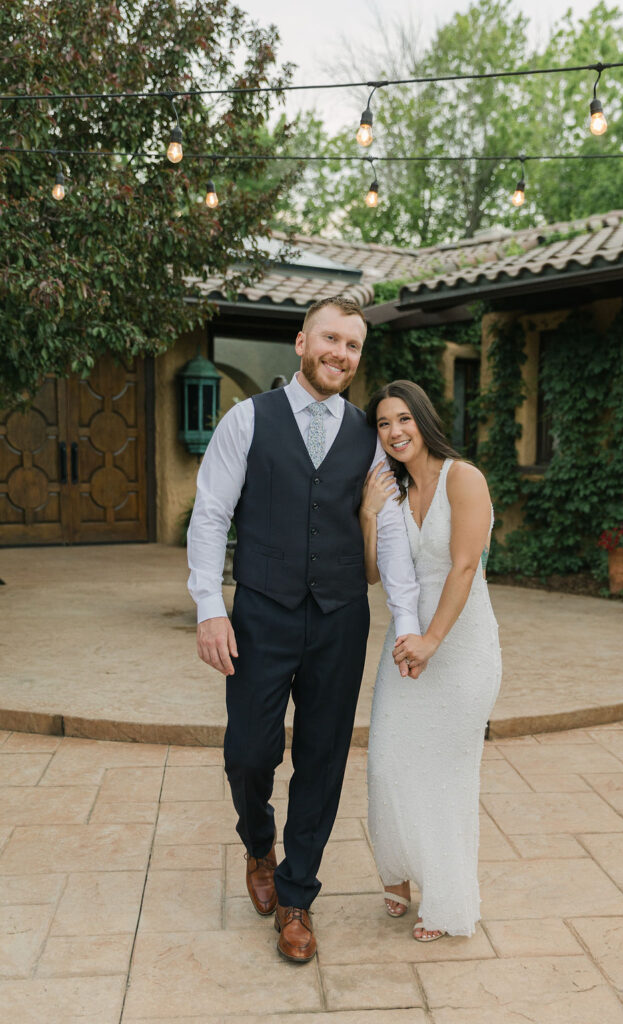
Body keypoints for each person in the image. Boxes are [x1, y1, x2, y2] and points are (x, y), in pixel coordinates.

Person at [186, 297, 421, 963]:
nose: (340, 354)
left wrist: (405, 622)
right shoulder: (246, 420)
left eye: (352, 345)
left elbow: (394, 535)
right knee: (248, 754)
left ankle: (296, 899)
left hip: (341, 618)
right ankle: (258, 845)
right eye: (330, 339)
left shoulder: (369, 437)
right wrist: (209, 606)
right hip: (260, 612)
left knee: (322, 759)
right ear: (301, 341)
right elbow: (210, 516)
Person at [360, 380, 502, 941]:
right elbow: (372, 574)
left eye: (403, 420)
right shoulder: (390, 489)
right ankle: (397, 872)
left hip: (459, 647)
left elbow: (465, 567)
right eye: (383, 424)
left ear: (422, 419)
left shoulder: (462, 478)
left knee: (445, 774)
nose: (394, 432)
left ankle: (443, 900)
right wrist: (369, 514)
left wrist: (432, 641)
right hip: (407, 641)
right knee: (387, 762)